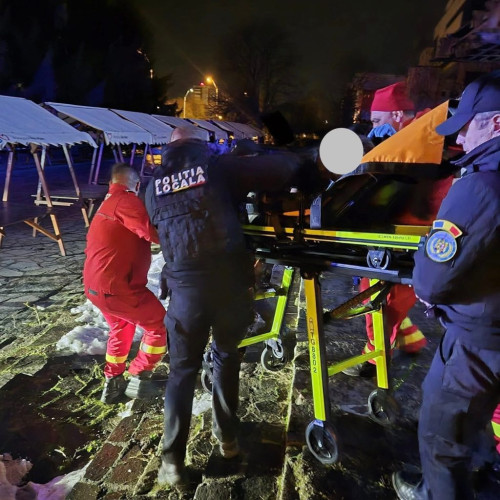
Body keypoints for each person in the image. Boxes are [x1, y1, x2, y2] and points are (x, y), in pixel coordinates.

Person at [145, 126, 301, 487]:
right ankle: (228, 441)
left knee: (181, 373)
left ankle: (172, 462)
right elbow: (281, 171)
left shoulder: (152, 187)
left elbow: (163, 230)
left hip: (185, 293)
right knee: (227, 358)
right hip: (229, 286)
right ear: (201, 146)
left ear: (169, 149)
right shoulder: (217, 167)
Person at [392, 70, 500, 499]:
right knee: (479, 428)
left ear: (496, 123)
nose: (462, 139)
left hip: (479, 345)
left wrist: (424, 258)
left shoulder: (482, 185)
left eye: (469, 127)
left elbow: (432, 280)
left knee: (441, 441)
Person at [343, 81, 426, 377]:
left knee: (380, 296)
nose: (374, 127)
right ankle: (410, 339)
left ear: (399, 115)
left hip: (409, 234)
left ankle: (375, 358)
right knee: (384, 293)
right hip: (401, 230)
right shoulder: (412, 138)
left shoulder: (420, 142)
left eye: (378, 120)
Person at [83, 163, 167, 404]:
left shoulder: (107, 203)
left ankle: (112, 383)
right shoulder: (126, 201)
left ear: (111, 183)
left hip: (97, 288)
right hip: (119, 289)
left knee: (122, 328)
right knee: (158, 325)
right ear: (137, 185)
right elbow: (154, 233)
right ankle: (139, 376)